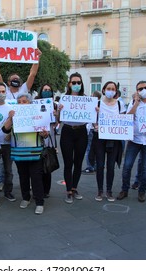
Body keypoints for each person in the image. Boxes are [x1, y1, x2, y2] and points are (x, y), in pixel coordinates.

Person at [2, 93, 49, 214]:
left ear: (30, 103)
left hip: (35, 151)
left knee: (36, 177)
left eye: (25, 101)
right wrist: (11, 118)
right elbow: (4, 129)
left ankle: (39, 202)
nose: (22, 104)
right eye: (20, 102)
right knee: (23, 176)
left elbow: (45, 133)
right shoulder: (13, 114)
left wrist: (44, 133)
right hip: (19, 152)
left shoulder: (37, 114)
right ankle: (26, 198)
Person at [117, 81, 146, 203]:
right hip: (135, 139)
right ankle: (124, 189)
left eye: (145, 88)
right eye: (140, 89)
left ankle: (142, 191)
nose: (143, 90)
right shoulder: (134, 102)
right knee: (127, 166)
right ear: (137, 91)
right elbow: (128, 117)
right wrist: (136, 103)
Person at [58, 72, 88, 204]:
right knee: (68, 163)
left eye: (78, 82)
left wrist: (95, 112)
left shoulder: (87, 99)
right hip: (67, 131)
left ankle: (75, 188)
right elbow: (58, 119)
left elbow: (90, 118)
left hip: (81, 132)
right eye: (74, 82)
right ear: (69, 84)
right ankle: (68, 190)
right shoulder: (64, 99)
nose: (76, 85)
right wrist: (58, 111)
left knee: (79, 162)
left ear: (81, 84)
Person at [93, 82, 124, 202]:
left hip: (114, 139)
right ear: (104, 90)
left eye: (113, 89)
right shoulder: (98, 104)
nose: (111, 91)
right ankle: (100, 190)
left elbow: (123, 120)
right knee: (100, 165)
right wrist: (95, 125)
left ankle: (109, 190)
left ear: (116, 91)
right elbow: (92, 119)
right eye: (108, 88)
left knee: (111, 166)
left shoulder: (120, 104)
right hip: (100, 138)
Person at [0, 82, 16, 201]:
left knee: (8, 170)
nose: (1, 94)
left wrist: (10, 134)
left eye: (3, 92)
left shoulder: (11, 109)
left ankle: (8, 192)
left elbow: (16, 125)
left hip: (7, 145)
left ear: (6, 93)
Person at [35, 83, 58, 198]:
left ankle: (46, 190)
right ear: (41, 91)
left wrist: (56, 115)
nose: (47, 91)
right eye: (45, 89)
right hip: (36, 136)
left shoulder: (54, 105)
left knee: (47, 165)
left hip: (49, 137)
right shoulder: (35, 103)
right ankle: (37, 188)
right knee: (36, 166)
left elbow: (56, 124)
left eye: (49, 90)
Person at [82, 91, 102, 174]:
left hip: (92, 129)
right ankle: (96, 165)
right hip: (98, 129)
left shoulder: (93, 104)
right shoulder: (102, 104)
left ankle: (90, 166)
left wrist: (95, 125)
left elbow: (91, 116)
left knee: (89, 148)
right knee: (97, 148)